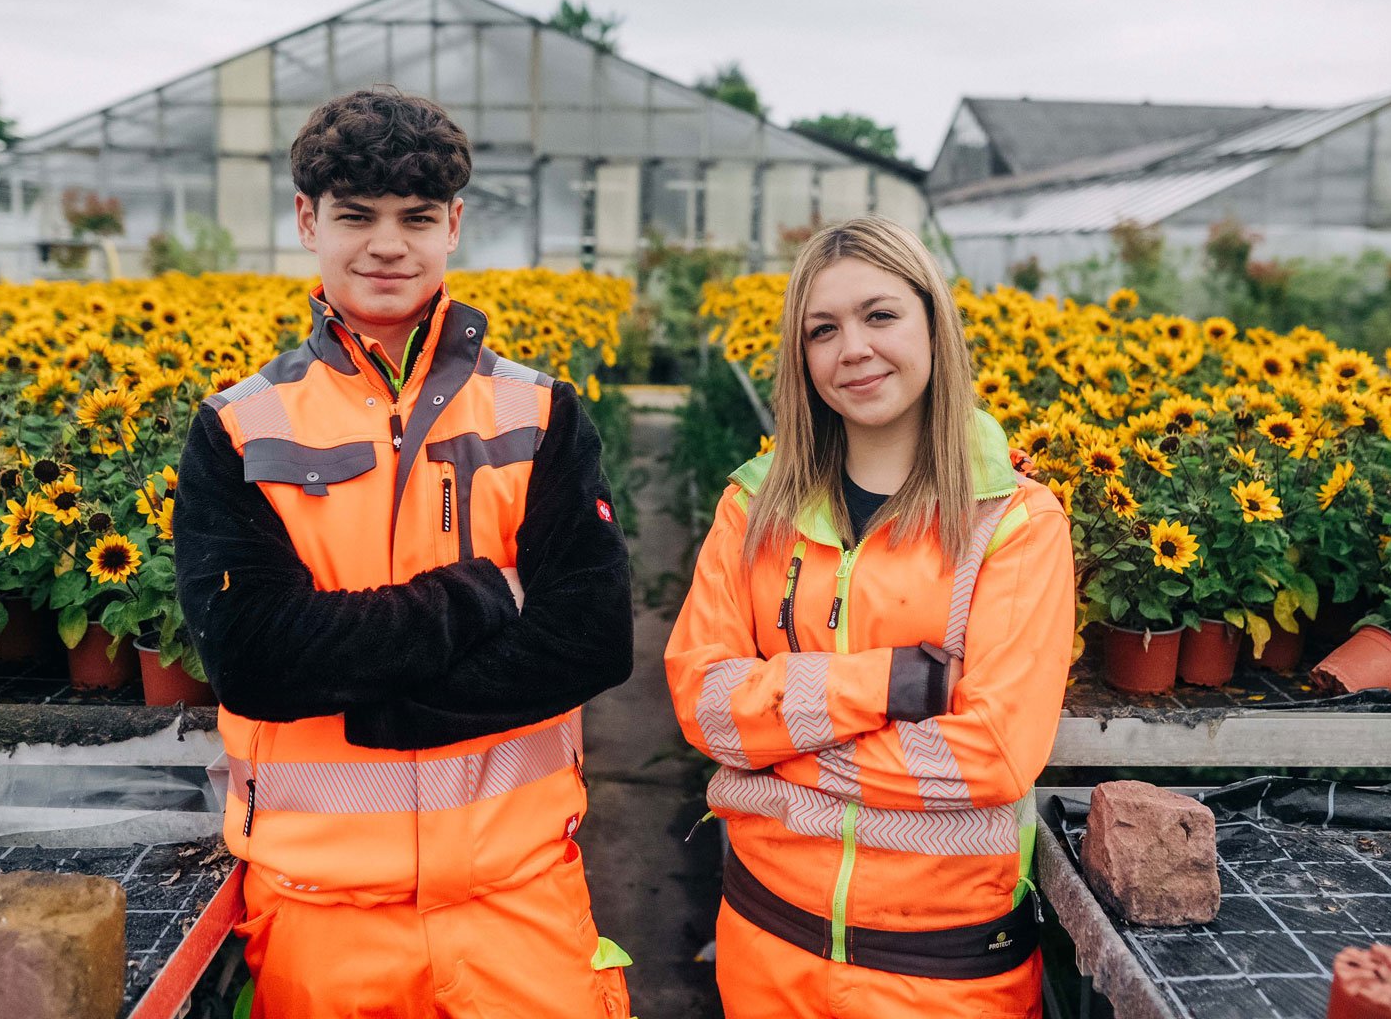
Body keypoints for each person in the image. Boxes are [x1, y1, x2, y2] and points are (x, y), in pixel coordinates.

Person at [173, 87, 636, 1019]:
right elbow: (256, 659)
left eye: (417, 218)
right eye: (357, 216)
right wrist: (482, 595)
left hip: (521, 900)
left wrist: (375, 711)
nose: (389, 244)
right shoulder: (238, 428)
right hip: (322, 917)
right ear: (307, 220)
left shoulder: (539, 412)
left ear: (455, 225)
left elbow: (591, 640)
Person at [665, 216, 1075, 1019]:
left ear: (933, 322)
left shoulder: (1014, 522)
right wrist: (891, 683)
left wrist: (774, 758)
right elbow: (704, 705)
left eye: (880, 315)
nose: (852, 348)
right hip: (763, 945)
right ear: (801, 354)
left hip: (941, 974)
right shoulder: (752, 508)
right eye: (823, 329)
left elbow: (989, 755)